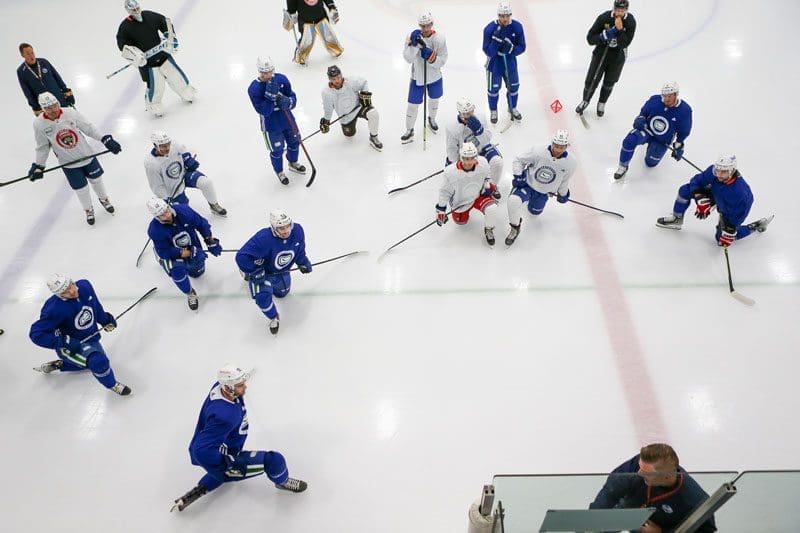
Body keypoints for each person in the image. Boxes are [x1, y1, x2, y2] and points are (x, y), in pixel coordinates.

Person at [171, 364, 307, 512]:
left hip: (228, 444)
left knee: (219, 474)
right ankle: (283, 482)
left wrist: (240, 377)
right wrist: (226, 464)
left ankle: (200, 488)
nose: (245, 388)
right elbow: (200, 449)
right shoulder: (226, 415)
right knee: (274, 460)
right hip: (226, 454)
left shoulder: (220, 387)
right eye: (241, 385)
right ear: (229, 388)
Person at [28, 92, 121, 226]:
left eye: (54, 105)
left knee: (97, 180)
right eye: (48, 108)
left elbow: (88, 128)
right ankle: (88, 209)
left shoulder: (70, 112)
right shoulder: (39, 124)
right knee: (81, 189)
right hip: (68, 163)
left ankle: (104, 199)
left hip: (86, 155)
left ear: (58, 103)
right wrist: (38, 165)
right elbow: (42, 146)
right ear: (43, 109)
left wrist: (105, 139)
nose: (53, 110)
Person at [29, 274, 131, 396]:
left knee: (93, 364)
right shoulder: (53, 309)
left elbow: (95, 307)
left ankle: (61, 364)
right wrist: (64, 342)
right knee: (99, 362)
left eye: (71, 285)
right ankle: (112, 385)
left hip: (91, 338)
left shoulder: (84, 286)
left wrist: (105, 320)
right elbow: (36, 333)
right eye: (65, 292)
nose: (72, 292)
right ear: (58, 295)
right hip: (71, 346)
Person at [589, 443, 717, 532]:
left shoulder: (695, 500)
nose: (638, 473)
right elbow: (611, 489)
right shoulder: (641, 464)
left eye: (646, 473)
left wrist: (663, 532)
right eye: (640, 467)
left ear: (666, 476)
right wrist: (594, 517)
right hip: (630, 508)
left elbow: (706, 530)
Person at [656, 154, 774, 245]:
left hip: (729, 208)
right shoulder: (714, 171)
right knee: (684, 190)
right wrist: (700, 198)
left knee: (720, 239)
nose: (719, 174)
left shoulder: (740, 194)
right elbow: (696, 181)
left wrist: (730, 230)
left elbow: (738, 215)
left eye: (723, 172)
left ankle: (752, 227)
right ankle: (677, 219)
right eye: (718, 170)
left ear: (732, 171)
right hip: (716, 193)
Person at [235, 211, 312, 335]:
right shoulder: (263, 238)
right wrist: (254, 270)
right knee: (262, 298)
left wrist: (303, 262)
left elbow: (300, 249)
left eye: (288, 226)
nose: (286, 231)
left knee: (282, 294)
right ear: (273, 228)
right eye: (281, 228)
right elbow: (241, 257)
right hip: (263, 274)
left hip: (281, 272)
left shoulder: (297, 230)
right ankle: (273, 317)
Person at [116, 0, 197, 117]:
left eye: (138, 8)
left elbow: (164, 22)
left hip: (163, 55)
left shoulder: (149, 15)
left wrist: (169, 36)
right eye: (134, 10)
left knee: (177, 77)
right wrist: (133, 54)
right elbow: (122, 43)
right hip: (148, 63)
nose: (137, 11)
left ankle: (187, 92)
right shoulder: (125, 27)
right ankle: (154, 106)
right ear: (128, 11)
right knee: (157, 87)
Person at [146, 197, 222, 311]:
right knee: (178, 272)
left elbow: (201, 223)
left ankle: (192, 262)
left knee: (197, 272)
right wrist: (189, 253)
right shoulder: (155, 230)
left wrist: (209, 240)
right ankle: (189, 292)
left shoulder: (183, 210)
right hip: (172, 253)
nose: (167, 215)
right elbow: (165, 252)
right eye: (162, 215)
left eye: (166, 211)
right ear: (157, 217)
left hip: (191, 244)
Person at [505, 130, 577, 246]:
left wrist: (563, 194)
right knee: (513, 201)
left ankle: (531, 204)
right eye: (556, 145)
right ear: (552, 142)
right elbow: (518, 160)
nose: (558, 150)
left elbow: (564, 180)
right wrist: (518, 176)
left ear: (566, 146)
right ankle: (515, 227)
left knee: (534, 213)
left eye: (561, 147)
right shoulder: (538, 150)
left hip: (543, 193)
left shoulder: (571, 163)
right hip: (527, 185)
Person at [613, 82, 692, 180]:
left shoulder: (685, 110)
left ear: (676, 94)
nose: (666, 99)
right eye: (664, 96)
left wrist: (679, 146)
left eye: (669, 96)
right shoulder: (654, 100)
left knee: (650, 164)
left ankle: (652, 149)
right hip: (647, 131)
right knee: (630, 140)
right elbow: (643, 113)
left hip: (662, 140)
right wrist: (640, 118)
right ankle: (623, 166)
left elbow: (684, 131)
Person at [247, 57, 306, 186]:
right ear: (259, 71)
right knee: (277, 151)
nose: (267, 75)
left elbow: (292, 97)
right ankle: (279, 171)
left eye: (269, 71)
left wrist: (288, 102)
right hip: (271, 126)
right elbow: (263, 111)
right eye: (264, 72)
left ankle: (293, 162)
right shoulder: (254, 88)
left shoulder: (282, 79)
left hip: (288, 120)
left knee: (295, 143)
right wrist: (270, 98)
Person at [576, 0, 636, 118]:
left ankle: (602, 103)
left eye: (622, 11)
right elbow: (590, 38)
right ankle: (585, 100)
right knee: (591, 79)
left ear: (626, 10)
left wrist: (619, 31)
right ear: (613, 8)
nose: (619, 13)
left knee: (609, 82)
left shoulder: (630, 21)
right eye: (617, 10)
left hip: (617, 58)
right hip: (600, 55)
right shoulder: (604, 18)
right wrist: (603, 36)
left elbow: (625, 43)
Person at [144, 131, 227, 216]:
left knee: (206, 183)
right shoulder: (151, 164)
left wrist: (188, 159)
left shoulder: (174, 144)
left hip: (184, 174)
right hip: (172, 188)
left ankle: (214, 206)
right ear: (155, 145)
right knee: (184, 212)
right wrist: (165, 198)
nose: (167, 148)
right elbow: (156, 185)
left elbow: (183, 150)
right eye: (163, 146)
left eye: (168, 144)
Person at [436, 143, 500, 246]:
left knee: (492, 208)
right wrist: (441, 210)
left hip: (478, 196)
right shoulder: (450, 172)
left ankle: (489, 228)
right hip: (461, 203)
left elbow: (487, 174)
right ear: (461, 158)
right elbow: (444, 192)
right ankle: (462, 214)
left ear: (476, 157)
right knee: (461, 223)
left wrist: (488, 184)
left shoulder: (483, 162)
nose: (469, 162)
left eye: (472, 158)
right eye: (466, 158)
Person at [400, 12, 448, 143]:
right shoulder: (411, 37)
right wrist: (414, 46)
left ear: (432, 24)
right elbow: (408, 58)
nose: (425, 29)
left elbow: (443, 60)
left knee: (434, 99)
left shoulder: (440, 39)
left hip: (435, 76)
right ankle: (409, 130)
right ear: (419, 25)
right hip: (417, 77)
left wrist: (431, 58)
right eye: (423, 26)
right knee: (412, 105)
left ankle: (431, 119)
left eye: (428, 25)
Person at [482, 1, 526, 124]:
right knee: (493, 89)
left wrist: (511, 49)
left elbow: (522, 46)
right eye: (502, 16)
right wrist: (495, 41)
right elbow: (488, 51)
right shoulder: (489, 29)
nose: (504, 19)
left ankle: (513, 107)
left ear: (510, 15)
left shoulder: (517, 27)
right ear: (498, 15)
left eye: (507, 16)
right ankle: (493, 110)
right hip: (494, 64)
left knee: (514, 86)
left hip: (510, 61)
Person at [320, 65, 383, 151]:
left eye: (338, 77)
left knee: (373, 113)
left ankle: (373, 137)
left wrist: (364, 93)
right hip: (346, 117)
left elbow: (364, 82)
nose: (337, 80)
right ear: (330, 79)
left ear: (341, 75)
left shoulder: (351, 81)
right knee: (349, 135)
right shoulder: (326, 93)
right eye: (334, 79)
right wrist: (326, 121)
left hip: (358, 108)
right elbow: (328, 108)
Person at [445, 97, 504, 186]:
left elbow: (487, 139)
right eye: (466, 113)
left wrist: (479, 131)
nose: (470, 115)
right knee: (459, 179)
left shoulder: (480, 117)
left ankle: (492, 187)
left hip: (481, 150)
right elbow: (451, 149)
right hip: (464, 156)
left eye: (471, 111)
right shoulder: (452, 127)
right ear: (460, 113)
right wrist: (456, 165)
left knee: (497, 162)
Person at [17, 43, 74, 116]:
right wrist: (35, 107)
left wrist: (66, 92)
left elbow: (57, 77)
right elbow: (27, 92)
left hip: (59, 99)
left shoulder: (44, 62)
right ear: (22, 55)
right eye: (28, 54)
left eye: (32, 52)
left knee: (69, 119)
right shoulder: (21, 71)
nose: (31, 56)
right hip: (45, 106)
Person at [284, 0, 342, 66]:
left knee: (328, 36)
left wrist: (331, 7)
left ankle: (336, 50)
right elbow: (291, 4)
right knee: (307, 40)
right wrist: (291, 13)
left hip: (321, 17)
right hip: (305, 21)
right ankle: (301, 57)